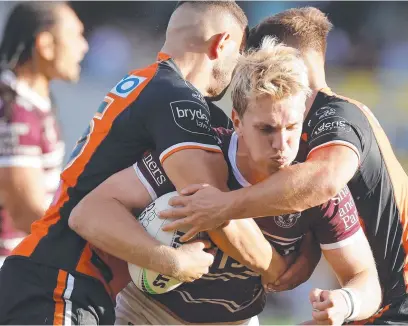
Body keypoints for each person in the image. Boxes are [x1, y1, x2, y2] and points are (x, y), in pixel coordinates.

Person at [161, 7, 408, 325]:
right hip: (385, 307)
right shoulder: (304, 132)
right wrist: (310, 248)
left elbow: (324, 182)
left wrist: (224, 206)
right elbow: (316, 199)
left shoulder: (338, 115)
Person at [0, 2, 278, 325]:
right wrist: (275, 267)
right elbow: (210, 206)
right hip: (62, 284)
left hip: (52, 279)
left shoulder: (145, 82)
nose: (237, 67)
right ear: (222, 43)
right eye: (239, 52)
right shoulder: (179, 99)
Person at [77, 37, 381, 325]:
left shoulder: (314, 183)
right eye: (266, 129)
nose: (281, 143)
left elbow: (365, 278)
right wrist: (169, 260)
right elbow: (89, 212)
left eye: (291, 127)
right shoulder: (196, 157)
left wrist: (345, 302)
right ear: (236, 121)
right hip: (147, 313)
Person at [0, 2, 88, 265]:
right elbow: (24, 213)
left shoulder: (31, 98)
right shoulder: (14, 110)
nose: (83, 47)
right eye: (76, 35)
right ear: (46, 45)